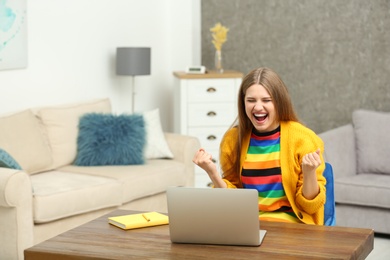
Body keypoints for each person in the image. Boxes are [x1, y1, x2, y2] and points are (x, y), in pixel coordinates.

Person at [192, 67, 326, 225]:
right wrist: (212, 173)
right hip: (247, 225)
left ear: (279, 101)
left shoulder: (304, 139)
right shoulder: (232, 139)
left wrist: (309, 172)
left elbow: (310, 207)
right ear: (243, 103)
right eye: (251, 100)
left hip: (291, 228)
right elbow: (232, 203)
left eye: (266, 100)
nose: (257, 107)